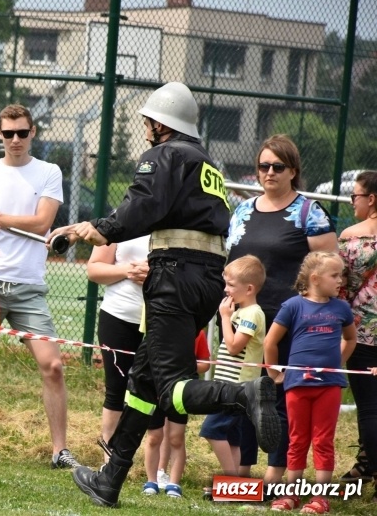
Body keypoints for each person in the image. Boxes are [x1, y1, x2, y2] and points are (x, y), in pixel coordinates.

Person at [48, 82, 279, 507]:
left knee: (172, 385)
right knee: (144, 381)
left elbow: (142, 205)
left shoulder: (165, 154)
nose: (147, 129)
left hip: (173, 274)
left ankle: (242, 395)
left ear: (161, 122)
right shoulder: (207, 162)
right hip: (207, 277)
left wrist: (98, 228)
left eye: (149, 122)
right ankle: (110, 479)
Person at [0, 104, 80, 469]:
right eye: (8, 133)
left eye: (22, 133)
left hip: (28, 286)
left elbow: (42, 223)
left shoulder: (49, 172)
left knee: (53, 365)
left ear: (33, 133)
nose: (15, 140)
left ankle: (60, 450)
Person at [225, 135, 337, 489]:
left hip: (292, 325)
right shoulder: (242, 210)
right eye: (263, 166)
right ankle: (240, 476)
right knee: (242, 396)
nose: (269, 172)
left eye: (277, 166)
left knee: (282, 402)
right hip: (246, 323)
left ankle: (278, 476)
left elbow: (330, 272)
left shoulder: (310, 213)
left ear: (293, 171)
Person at [265, 251, 356, 513]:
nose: (340, 280)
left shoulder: (341, 308)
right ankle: (291, 494)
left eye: (341, 275)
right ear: (315, 278)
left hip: (328, 386)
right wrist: (275, 374)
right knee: (297, 439)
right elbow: (270, 343)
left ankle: (320, 498)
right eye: (335, 275)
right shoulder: (293, 306)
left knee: (323, 440)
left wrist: (337, 363)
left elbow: (350, 339)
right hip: (296, 385)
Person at [199, 255, 266, 488]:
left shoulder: (252, 313)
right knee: (232, 437)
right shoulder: (240, 311)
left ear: (249, 288)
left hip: (237, 386)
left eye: (230, 285)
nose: (225, 289)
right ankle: (237, 482)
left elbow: (234, 345)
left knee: (211, 430)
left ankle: (230, 481)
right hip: (229, 384)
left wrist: (224, 318)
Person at [86, 235, 149, 456]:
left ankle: (157, 469)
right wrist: (127, 271)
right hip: (118, 316)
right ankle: (110, 459)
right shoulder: (120, 221)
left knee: (156, 391)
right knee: (116, 389)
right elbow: (94, 270)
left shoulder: (177, 219)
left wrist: (156, 275)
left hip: (161, 319)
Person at [338, 170, 377, 494]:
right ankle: (365, 464)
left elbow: (340, 287)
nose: (353, 202)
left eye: (355, 196)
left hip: (361, 334)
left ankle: (371, 467)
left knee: (369, 407)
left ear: (371, 199)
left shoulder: (352, 238)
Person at [142, 330, 211, 498]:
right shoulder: (157, 329)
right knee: (153, 437)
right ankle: (151, 481)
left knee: (176, 438)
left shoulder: (197, 332)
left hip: (181, 391)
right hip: (156, 390)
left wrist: (185, 364)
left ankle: (174, 484)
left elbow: (205, 363)